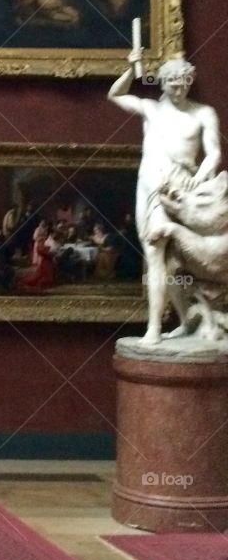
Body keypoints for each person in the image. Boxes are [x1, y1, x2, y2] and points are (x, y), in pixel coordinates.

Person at [108, 52, 221, 343]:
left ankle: (168, 325)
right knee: (157, 255)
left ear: (190, 82)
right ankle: (164, 325)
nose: (179, 89)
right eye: (173, 83)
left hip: (182, 187)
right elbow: (115, 94)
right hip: (149, 184)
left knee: (170, 257)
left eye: (184, 83)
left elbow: (214, 153)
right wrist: (131, 69)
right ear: (162, 83)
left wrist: (200, 177)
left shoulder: (203, 113)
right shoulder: (151, 109)